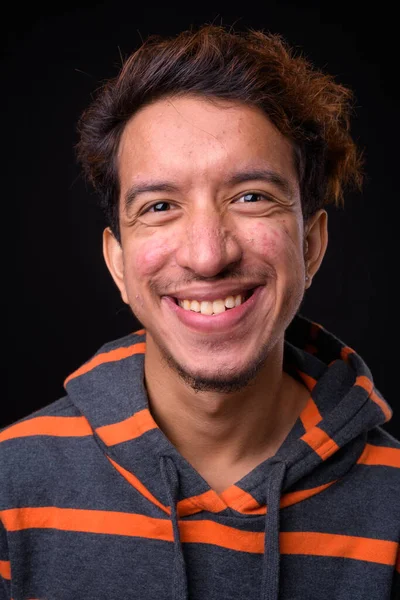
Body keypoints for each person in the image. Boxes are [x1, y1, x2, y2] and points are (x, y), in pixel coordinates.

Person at [1, 24, 399, 600]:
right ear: (118, 263)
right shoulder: (13, 487)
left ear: (310, 245)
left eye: (251, 197)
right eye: (160, 206)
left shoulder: (393, 507)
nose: (209, 256)